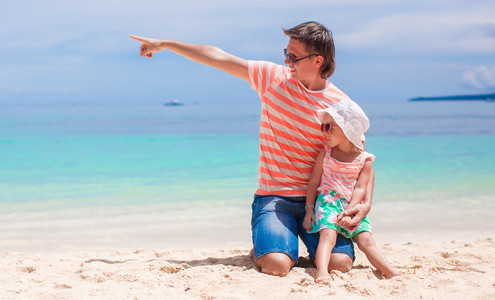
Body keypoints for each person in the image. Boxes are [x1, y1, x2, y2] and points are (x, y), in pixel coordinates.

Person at [130, 21, 373, 277]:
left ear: (317, 60)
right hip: (274, 197)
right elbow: (217, 56)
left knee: (339, 265)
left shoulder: (342, 105)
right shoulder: (272, 77)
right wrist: (165, 44)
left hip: (323, 201)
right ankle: (268, 245)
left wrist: (365, 203)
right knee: (276, 265)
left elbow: (359, 158)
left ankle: (285, 243)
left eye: (294, 56)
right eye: (286, 53)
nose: (287, 60)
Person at [303, 99, 401, 282]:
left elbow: (360, 188)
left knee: (367, 241)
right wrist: (309, 210)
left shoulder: (365, 159)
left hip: (351, 205)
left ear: (348, 131)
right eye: (324, 127)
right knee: (328, 236)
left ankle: (391, 271)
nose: (324, 131)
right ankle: (322, 271)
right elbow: (313, 182)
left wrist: (350, 210)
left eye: (330, 127)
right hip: (328, 202)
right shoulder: (326, 153)